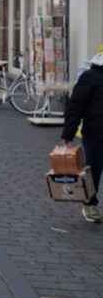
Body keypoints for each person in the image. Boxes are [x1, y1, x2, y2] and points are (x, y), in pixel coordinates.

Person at [58, 46, 103, 223]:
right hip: (95, 134)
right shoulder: (90, 78)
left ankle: (90, 204)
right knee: (93, 171)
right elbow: (75, 107)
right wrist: (68, 134)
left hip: (94, 133)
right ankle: (89, 204)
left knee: (94, 170)